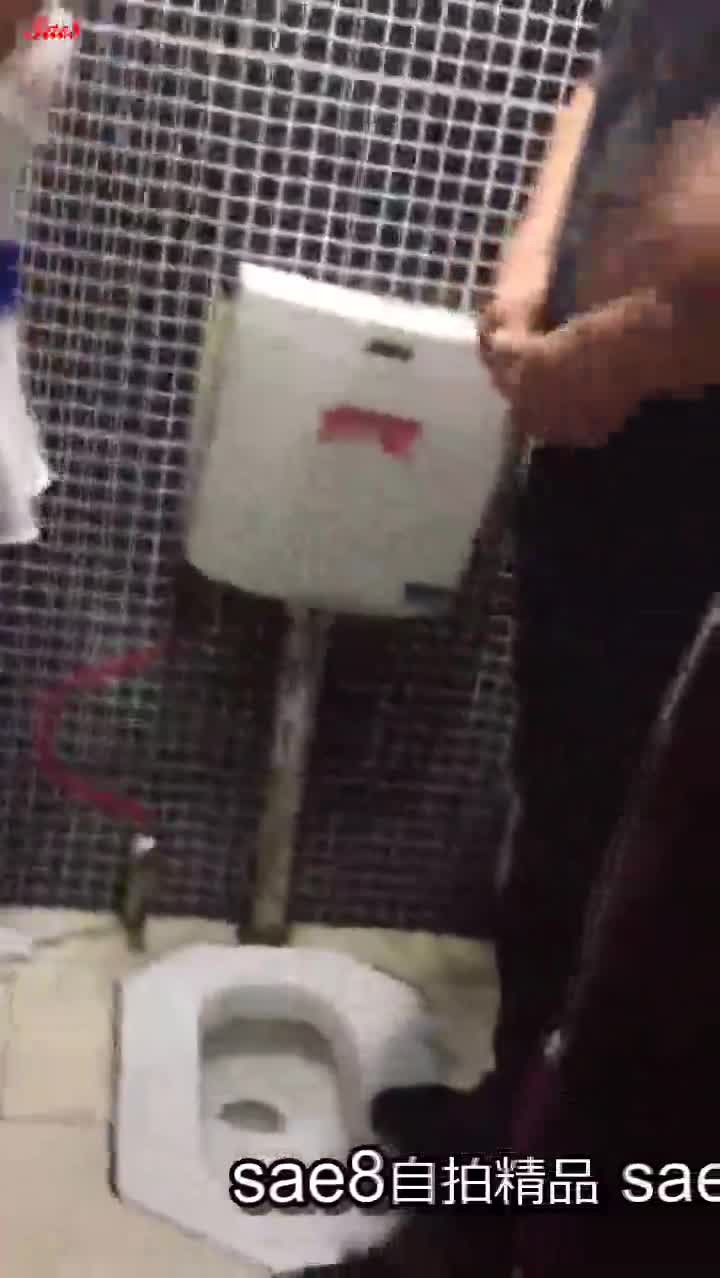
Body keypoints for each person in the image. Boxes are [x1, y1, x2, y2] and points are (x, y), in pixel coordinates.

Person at [369, 0, 720, 1225]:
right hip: (603, 467)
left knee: (638, 888)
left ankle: (552, 1208)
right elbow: (606, 83)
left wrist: (613, 347)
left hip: (688, 482)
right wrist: (526, 295)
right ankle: (513, 1137)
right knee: (562, 828)